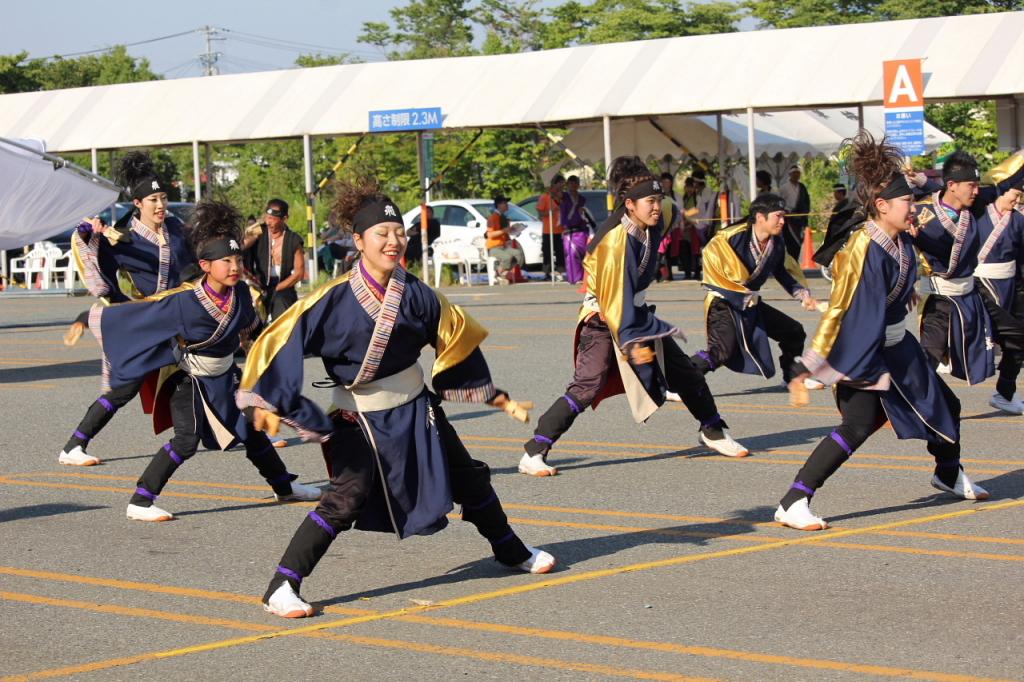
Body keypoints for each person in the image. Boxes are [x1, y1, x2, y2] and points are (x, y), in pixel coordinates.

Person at [236, 178, 554, 618]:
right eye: (381, 234)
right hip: (357, 416)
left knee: (470, 479)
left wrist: (496, 397)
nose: (393, 241)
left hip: (417, 409)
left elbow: (457, 343)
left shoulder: (420, 294)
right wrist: (265, 403)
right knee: (346, 497)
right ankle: (282, 586)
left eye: (397, 232)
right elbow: (277, 341)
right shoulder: (332, 299)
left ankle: (510, 549)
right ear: (358, 240)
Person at [775, 132, 989, 531]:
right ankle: (794, 500)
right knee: (858, 425)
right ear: (881, 205)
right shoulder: (862, 248)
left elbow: (910, 278)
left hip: (896, 344)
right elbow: (839, 310)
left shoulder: (901, 239)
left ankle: (946, 472)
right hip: (864, 349)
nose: (915, 207)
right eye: (908, 201)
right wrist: (813, 364)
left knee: (948, 406)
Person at [88, 200, 322, 522]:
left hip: (227, 378)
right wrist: (91, 317)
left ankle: (284, 488)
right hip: (190, 380)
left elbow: (254, 330)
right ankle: (140, 501)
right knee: (186, 441)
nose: (234, 266)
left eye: (237, 258)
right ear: (205, 265)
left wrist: (283, 343)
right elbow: (139, 315)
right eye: (225, 260)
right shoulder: (184, 301)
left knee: (253, 431)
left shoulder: (240, 293)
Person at [519, 156, 748, 477]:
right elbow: (615, 307)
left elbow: (676, 212)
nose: (658, 206)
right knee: (587, 386)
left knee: (685, 372)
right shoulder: (614, 243)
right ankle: (534, 450)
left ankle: (713, 430)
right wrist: (638, 350)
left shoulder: (660, 214)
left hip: (634, 312)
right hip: (603, 318)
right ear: (628, 205)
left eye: (659, 199)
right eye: (650, 201)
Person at [57, 152, 197, 467]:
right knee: (125, 388)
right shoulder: (122, 237)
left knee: (211, 371)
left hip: (177, 317)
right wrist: (88, 235)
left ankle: (248, 430)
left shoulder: (174, 228)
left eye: (163, 198)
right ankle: (74, 445)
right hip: (144, 322)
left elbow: (194, 261)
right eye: (153, 200)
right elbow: (97, 271)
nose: (161, 205)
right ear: (137, 203)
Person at [691, 193, 821, 407]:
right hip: (724, 301)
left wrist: (802, 294)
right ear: (760, 217)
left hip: (750, 301)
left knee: (793, 331)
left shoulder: (776, 243)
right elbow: (712, 269)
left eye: (783, 216)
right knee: (721, 351)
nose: (782, 221)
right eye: (778, 216)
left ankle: (791, 377)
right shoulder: (730, 237)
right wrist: (739, 293)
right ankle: (679, 381)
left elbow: (784, 272)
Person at [913, 150, 1024, 385]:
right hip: (940, 298)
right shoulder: (921, 214)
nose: (976, 191)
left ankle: (1005, 392)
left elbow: (1004, 184)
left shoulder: (973, 205)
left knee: (1017, 335)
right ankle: (903, 404)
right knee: (928, 358)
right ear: (952, 185)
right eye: (971, 185)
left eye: (977, 186)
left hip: (973, 294)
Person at [974, 177, 1024, 413]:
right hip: (979, 284)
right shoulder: (978, 212)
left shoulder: (1018, 221)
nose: (1016, 200)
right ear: (1001, 192)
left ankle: (1005, 393)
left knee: (1017, 341)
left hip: (1010, 286)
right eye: (1014, 194)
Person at [243, 199, 305, 321]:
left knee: (283, 310)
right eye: (267, 217)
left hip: (282, 286)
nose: (268, 222)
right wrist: (253, 235)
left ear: (284, 218)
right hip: (258, 283)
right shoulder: (259, 230)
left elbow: (299, 274)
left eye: (273, 219)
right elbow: (241, 246)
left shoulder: (294, 240)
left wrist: (276, 289)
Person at [486, 195, 527, 283]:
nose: (507, 205)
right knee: (507, 257)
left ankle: (501, 272)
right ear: (499, 205)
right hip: (494, 247)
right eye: (504, 203)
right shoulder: (493, 217)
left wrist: (514, 230)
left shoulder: (503, 217)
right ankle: (500, 273)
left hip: (503, 246)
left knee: (518, 254)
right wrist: (504, 230)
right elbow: (489, 235)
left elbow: (505, 232)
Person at [560, 175, 590, 284]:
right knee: (572, 254)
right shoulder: (564, 197)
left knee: (584, 254)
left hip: (581, 230)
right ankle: (574, 278)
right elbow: (555, 195)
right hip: (569, 231)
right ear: (567, 185)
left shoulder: (582, 199)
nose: (573, 186)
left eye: (575, 183)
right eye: (571, 184)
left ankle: (584, 277)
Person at [778, 164, 811, 260]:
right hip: (788, 219)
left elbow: (806, 202)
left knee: (798, 243)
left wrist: (804, 214)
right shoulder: (784, 187)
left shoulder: (802, 187)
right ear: (790, 174)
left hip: (799, 220)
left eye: (798, 173)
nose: (796, 175)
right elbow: (779, 202)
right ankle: (789, 262)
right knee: (789, 242)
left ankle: (795, 262)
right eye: (794, 174)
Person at [655, 172, 683, 283]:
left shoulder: (676, 197)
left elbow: (679, 211)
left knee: (671, 253)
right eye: (664, 182)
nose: (666, 185)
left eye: (668, 182)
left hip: (673, 228)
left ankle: (668, 273)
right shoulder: (657, 195)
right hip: (661, 228)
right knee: (660, 252)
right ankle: (659, 274)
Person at [537, 174, 566, 279]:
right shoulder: (545, 197)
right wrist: (550, 212)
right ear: (555, 184)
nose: (562, 187)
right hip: (548, 229)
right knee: (547, 251)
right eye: (560, 184)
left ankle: (560, 271)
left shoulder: (563, 197)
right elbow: (540, 214)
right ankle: (547, 272)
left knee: (560, 251)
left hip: (560, 229)